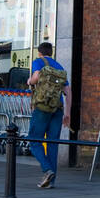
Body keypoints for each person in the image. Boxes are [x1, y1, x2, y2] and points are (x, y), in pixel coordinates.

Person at [25, 41, 70, 189]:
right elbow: (68, 91)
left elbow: (36, 77)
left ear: (39, 53)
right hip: (57, 108)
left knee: (34, 140)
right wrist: (67, 113)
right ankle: (51, 181)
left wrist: (29, 81)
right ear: (51, 52)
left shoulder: (38, 62)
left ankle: (47, 170)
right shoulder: (59, 67)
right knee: (52, 144)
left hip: (43, 107)